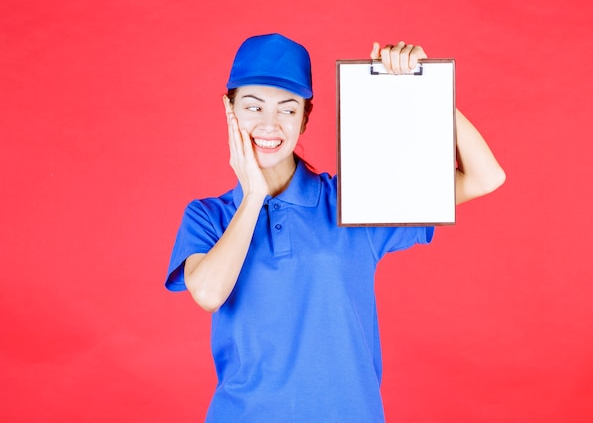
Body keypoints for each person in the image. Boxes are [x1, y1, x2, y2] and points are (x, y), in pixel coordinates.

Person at [165, 33, 505, 423]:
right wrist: (253, 195)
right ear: (229, 109)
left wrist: (424, 85)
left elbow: (485, 177)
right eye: (253, 106)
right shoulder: (208, 216)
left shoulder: (351, 201)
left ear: (306, 117)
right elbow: (208, 292)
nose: (269, 124)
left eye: (288, 109)